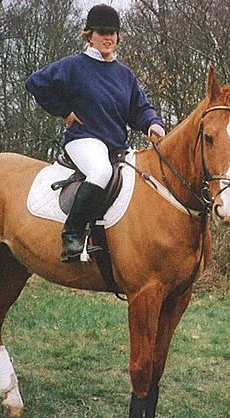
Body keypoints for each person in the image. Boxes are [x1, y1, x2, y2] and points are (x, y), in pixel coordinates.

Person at [25, 3, 165, 262]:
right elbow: (35, 83)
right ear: (89, 35)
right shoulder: (73, 66)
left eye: (112, 32)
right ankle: (72, 235)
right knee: (101, 172)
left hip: (116, 145)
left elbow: (140, 109)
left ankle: (106, 239)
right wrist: (64, 112)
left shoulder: (124, 75)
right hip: (84, 139)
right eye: (102, 32)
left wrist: (152, 124)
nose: (108, 37)